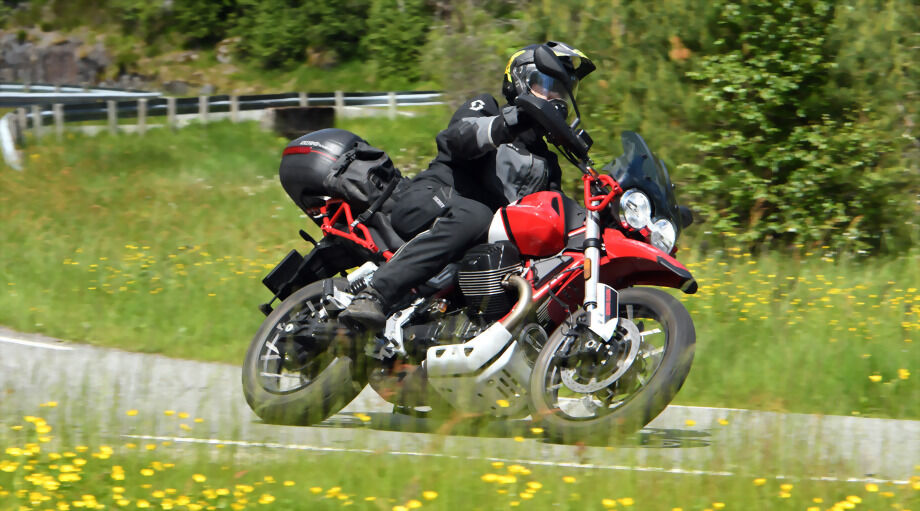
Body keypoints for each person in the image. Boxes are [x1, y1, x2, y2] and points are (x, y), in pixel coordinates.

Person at [340, 41, 595, 329]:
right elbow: (459, 138)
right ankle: (375, 294)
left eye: (561, 90)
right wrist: (509, 122)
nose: (554, 97)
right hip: (434, 200)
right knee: (477, 215)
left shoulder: (548, 162)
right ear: (522, 82)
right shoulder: (487, 107)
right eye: (545, 85)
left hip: (476, 244)